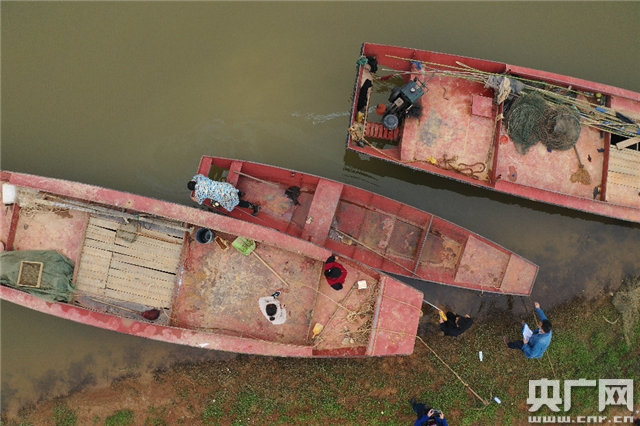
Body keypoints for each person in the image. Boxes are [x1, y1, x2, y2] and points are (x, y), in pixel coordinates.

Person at [188, 174, 259, 216]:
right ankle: (240, 193)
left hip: (225, 196)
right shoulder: (200, 179)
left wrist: (193, 199)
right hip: (226, 186)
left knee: (236, 202)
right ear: (194, 182)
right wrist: (193, 180)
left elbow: (199, 201)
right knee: (231, 190)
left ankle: (254, 207)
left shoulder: (199, 193)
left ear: (193, 189)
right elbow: (196, 176)